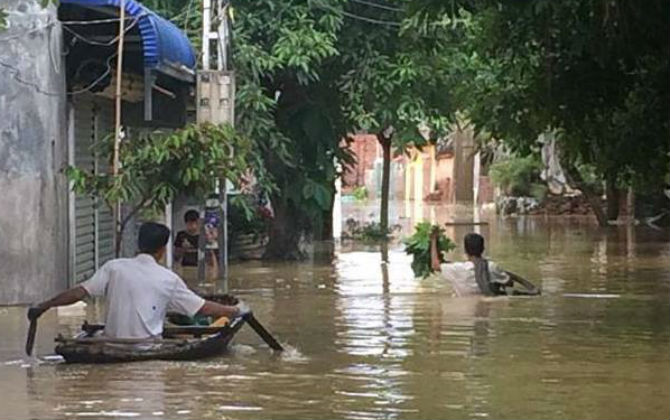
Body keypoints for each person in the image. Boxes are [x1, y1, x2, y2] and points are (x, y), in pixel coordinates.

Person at [27, 222, 248, 339]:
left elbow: (78, 293)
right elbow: (202, 309)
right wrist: (235, 311)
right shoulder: (168, 279)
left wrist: (43, 306)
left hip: (112, 342)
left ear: (138, 244)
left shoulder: (114, 267)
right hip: (147, 348)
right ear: (162, 250)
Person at [430, 231, 540, 297]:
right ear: (483, 249)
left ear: (465, 251)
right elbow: (509, 282)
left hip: (463, 303)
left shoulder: (457, 269)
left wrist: (433, 240)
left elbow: (435, 265)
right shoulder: (492, 267)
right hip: (489, 305)